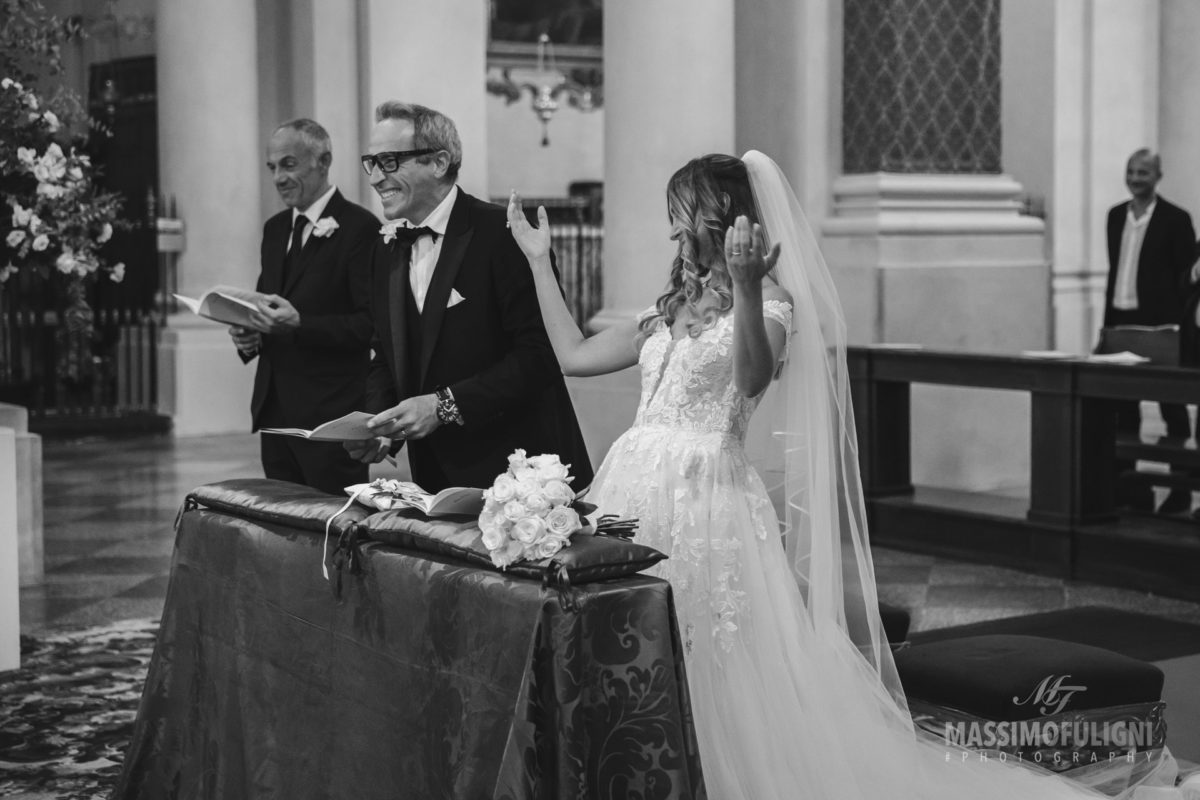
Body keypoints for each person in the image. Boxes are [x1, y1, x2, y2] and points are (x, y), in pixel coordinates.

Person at [508, 152, 1181, 799]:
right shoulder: (664, 309)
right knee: (629, 644)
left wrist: (744, 287)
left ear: (722, 217)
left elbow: (749, 377)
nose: (672, 229)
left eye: (682, 213)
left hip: (707, 499)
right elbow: (572, 353)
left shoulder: (772, 304)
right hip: (631, 491)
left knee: (705, 654)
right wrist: (540, 262)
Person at [346, 101, 592, 492]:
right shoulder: (386, 246)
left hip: (522, 474)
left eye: (389, 161)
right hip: (434, 476)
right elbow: (386, 351)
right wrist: (383, 425)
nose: (376, 177)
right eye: (371, 162)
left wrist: (444, 406)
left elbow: (540, 354)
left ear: (439, 162)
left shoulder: (501, 234)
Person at [229, 118, 378, 496]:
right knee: (283, 528)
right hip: (275, 409)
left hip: (332, 415)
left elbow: (370, 325)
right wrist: (250, 335)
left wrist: (300, 324)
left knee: (332, 526)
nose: (279, 177)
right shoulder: (275, 229)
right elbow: (268, 303)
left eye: (289, 164)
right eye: (273, 167)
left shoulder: (360, 228)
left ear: (323, 161)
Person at [1102, 148, 1196, 513]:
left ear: (1158, 176)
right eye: (1131, 171)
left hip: (1162, 327)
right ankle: (1129, 488)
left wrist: (1177, 328)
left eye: (1143, 172)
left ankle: (1181, 488)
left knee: (1172, 409)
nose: (1135, 178)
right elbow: (1117, 270)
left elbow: (1185, 278)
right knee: (1124, 408)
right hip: (1122, 324)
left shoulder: (1176, 219)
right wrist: (1107, 324)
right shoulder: (1114, 216)